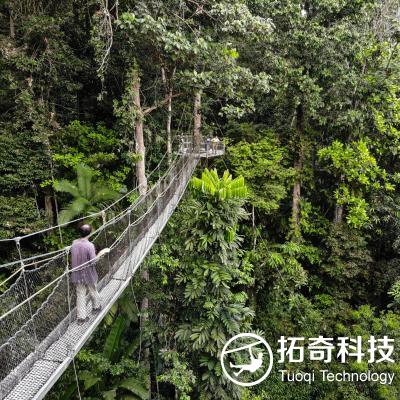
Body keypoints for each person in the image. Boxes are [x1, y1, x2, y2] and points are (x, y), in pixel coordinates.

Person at [70, 224, 108, 324]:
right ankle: (96, 307)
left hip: (77, 275)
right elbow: (93, 261)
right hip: (89, 274)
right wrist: (102, 253)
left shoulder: (74, 243)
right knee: (93, 291)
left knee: (80, 295)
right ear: (90, 233)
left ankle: (81, 318)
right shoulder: (89, 246)